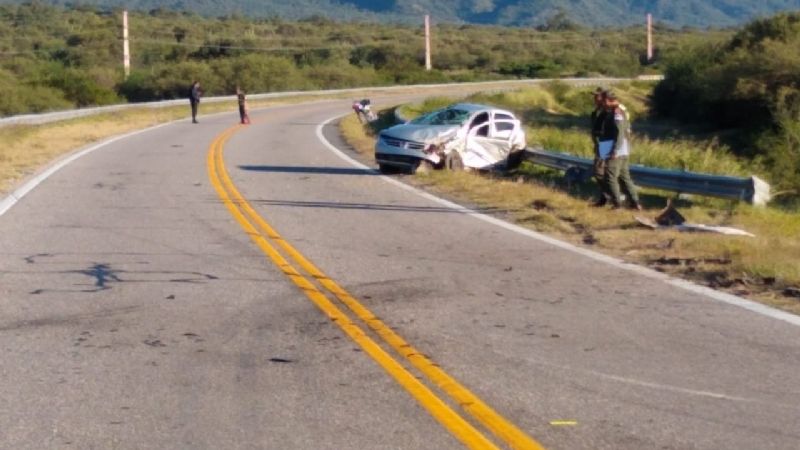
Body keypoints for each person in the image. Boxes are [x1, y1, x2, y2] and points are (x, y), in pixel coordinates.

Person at [601, 91, 642, 210]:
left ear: (608, 100)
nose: (603, 103)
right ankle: (635, 202)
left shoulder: (617, 112)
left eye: (603, 101)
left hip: (616, 149)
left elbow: (619, 133)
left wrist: (615, 150)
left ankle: (617, 203)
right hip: (622, 149)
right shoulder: (618, 110)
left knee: (610, 176)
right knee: (624, 177)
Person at [590, 87, 612, 206]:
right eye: (594, 96)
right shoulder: (597, 111)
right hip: (600, 143)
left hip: (606, 143)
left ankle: (610, 195)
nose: (595, 98)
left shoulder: (608, 111)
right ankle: (605, 196)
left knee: (599, 170)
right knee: (600, 171)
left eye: (597, 96)